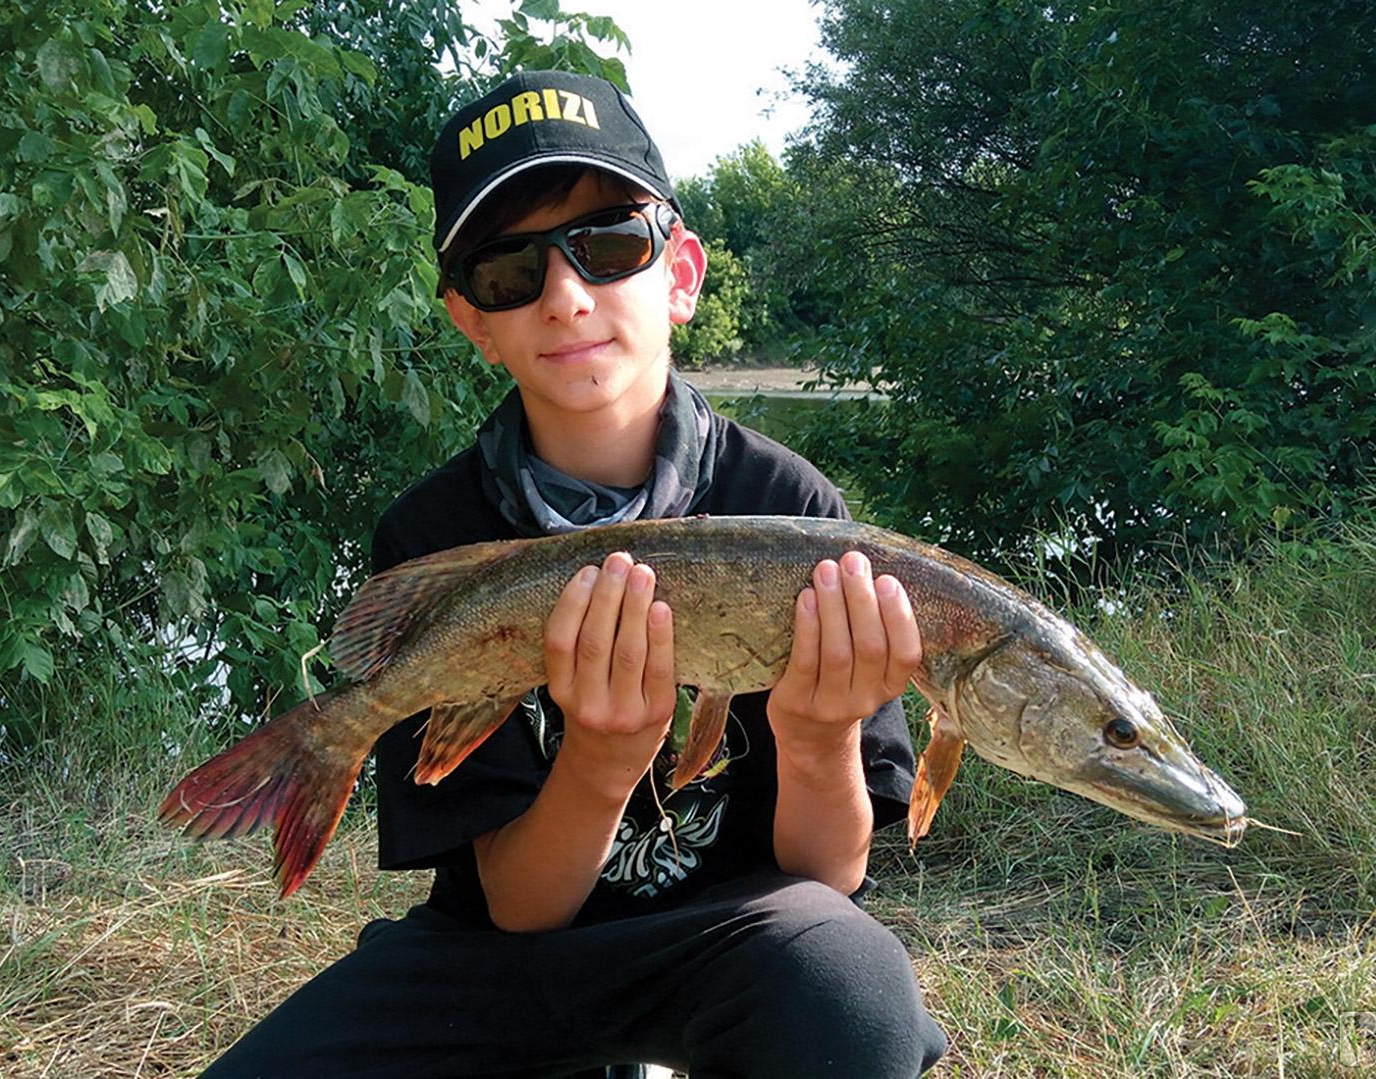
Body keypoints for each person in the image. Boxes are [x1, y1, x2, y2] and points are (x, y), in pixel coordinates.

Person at [199, 70, 948, 1078]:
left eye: (609, 244)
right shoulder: (433, 532)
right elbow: (518, 905)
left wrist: (818, 739)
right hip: (502, 957)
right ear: (472, 318)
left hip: (731, 940)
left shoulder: (791, 507)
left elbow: (829, 876)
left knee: (850, 991)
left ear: (680, 272)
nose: (564, 296)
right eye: (510, 269)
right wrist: (600, 758)